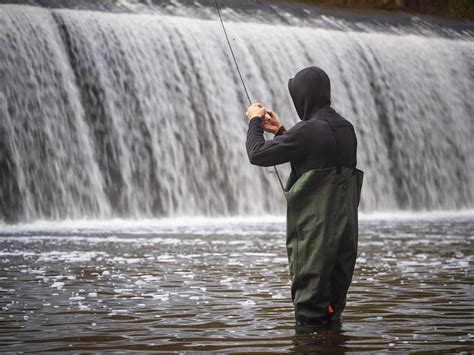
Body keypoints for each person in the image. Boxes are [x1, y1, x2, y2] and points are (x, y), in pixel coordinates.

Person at [245, 66, 363, 325]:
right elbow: (316, 157)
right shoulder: (347, 129)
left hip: (314, 239)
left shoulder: (307, 131)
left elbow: (257, 154)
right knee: (331, 312)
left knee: (309, 315)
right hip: (343, 239)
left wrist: (255, 120)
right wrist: (281, 131)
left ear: (303, 97)